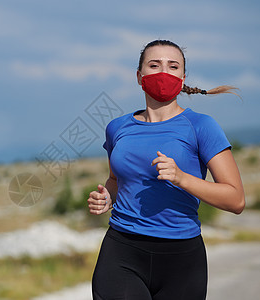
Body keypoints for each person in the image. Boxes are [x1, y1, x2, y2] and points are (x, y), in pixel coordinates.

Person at [87, 40, 245, 300]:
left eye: (173, 66)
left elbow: (236, 199)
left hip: (182, 258)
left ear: (182, 78)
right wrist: (108, 197)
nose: (163, 73)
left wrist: (182, 178)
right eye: (154, 65)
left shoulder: (202, 126)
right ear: (140, 76)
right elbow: (116, 180)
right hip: (122, 250)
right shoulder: (117, 128)